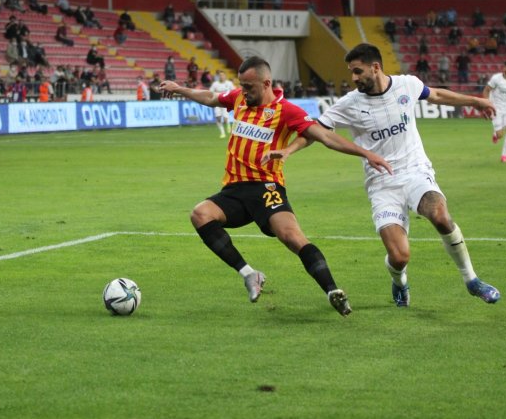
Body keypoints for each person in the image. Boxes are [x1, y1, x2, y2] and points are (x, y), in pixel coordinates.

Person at [263, 43, 501, 308]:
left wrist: (476, 101)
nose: (353, 78)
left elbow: (435, 95)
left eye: (357, 71)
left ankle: (472, 281)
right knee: (400, 256)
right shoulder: (350, 103)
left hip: (416, 172)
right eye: (351, 72)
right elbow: (315, 130)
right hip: (381, 184)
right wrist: (288, 150)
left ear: (375, 67)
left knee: (440, 216)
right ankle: (399, 281)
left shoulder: (407, 85)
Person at [157, 56, 393, 316]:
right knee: (200, 214)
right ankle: (249, 274)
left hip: (267, 189)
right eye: (242, 86)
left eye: (249, 87)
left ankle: (332, 290)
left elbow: (325, 136)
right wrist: (179, 89)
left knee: (292, 237)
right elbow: (211, 98)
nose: (244, 92)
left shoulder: (287, 111)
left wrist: (366, 154)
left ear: (266, 83)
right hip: (234, 191)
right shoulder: (238, 98)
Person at [482, 61, 506, 163]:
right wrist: (487, 103)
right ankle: (496, 135)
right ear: (504, 69)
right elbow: (486, 90)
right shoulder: (496, 79)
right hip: (496, 108)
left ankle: (504, 156)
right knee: (500, 135)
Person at [209, 70, 235, 138]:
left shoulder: (229, 83)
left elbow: (234, 91)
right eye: (220, 75)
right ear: (218, 77)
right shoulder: (215, 84)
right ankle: (222, 133)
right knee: (218, 118)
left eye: (223, 75)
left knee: (225, 118)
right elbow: (210, 92)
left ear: (225, 76)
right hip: (217, 103)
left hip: (225, 103)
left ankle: (228, 125)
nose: (221, 77)